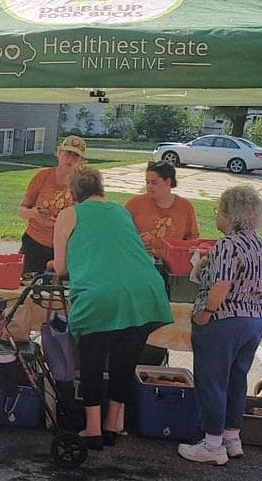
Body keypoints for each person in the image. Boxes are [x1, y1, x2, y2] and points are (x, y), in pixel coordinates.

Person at [51, 165, 172, 449]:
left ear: (74, 194)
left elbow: (61, 266)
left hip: (100, 296)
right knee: (123, 363)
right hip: (144, 294)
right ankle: (111, 427)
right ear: (100, 189)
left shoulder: (69, 215)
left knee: (92, 362)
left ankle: (92, 430)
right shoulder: (120, 211)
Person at [180, 185, 262, 465]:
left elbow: (222, 284)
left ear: (230, 214)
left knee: (211, 381)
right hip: (256, 318)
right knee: (237, 378)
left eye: (219, 211)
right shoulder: (259, 243)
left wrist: (206, 312)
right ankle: (231, 436)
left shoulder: (227, 244)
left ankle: (211, 444)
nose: (217, 217)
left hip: (225, 318)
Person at [17, 135, 86, 274]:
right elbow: (21, 209)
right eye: (67, 153)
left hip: (66, 247)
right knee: (27, 285)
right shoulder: (43, 177)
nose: (70, 159)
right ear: (59, 153)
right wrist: (33, 214)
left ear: (81, 160)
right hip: (35, 242)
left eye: (75, 156)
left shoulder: (83, 184)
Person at [124, 161, 199, 258]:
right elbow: (120, 233)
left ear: (168, 182)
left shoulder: (185, 207)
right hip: (139, 260)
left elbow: (191, 240)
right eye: (147, 182)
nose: (149, 186)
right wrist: (136, 242)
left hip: (172, 263)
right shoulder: (134, 204)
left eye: (154, 183)